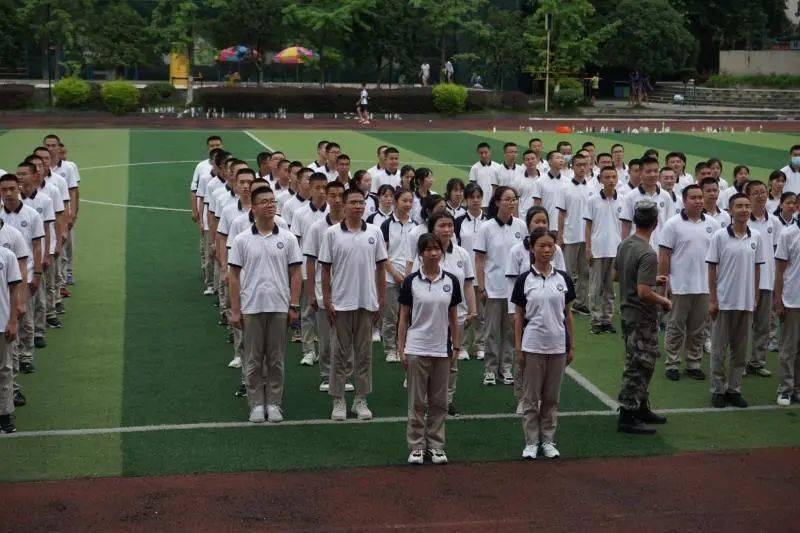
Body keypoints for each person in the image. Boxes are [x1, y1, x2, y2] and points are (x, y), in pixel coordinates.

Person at [228, 187, 302, 424]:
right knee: (253, 359)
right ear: (254, 207)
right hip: (252, 307)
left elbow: (296, 273)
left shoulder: (287, 238)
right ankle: (256, 404)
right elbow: (233, 276)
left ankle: (274, 402)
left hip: (279, 306)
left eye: (272, 201)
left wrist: (294, 305)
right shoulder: (241, 240)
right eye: (264, 202)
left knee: (276, 359)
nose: (270, 205)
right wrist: (236, 309)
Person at [319, 188, 387, 421]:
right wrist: (327, 299)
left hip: (367, 303)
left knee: (364, 354)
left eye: (361, 202)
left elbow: (380, 268)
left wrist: (381, 298)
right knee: (339, 354)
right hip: (341, 303)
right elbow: (325, 269)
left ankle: (361, 398)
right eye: (353, 202)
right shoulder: (332, 233)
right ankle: (338, 399)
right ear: (344, 205)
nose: (358, 206)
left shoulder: (375, 232)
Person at [398, 233, 461, 465]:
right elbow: (403, 317)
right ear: (421, 254)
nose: (433, 253)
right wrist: (401, 347)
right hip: (416, 347)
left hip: (441, 349)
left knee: (439, 401)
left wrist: (456, 346)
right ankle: (416, 446)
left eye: (437, 249)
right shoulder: (411, 281)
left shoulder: (450, 281)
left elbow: (454, 318)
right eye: (428, 249)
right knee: (416, 401)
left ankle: (435, 445)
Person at [512, 227, 575, 459]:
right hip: (532, 346)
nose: (547, 250)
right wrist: (518, 347)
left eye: (550, 246)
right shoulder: (524, 280)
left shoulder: (563, 279)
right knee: (530, 398)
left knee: (551, 397)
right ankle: (531, 441)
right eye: (542, 246)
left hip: (557, 346)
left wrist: (571, 346)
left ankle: (547, 440)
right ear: (532, 248)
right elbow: (518, 315)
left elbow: (567, 314)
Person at [410, 212, 476, 415]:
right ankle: (427, 400)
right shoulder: (423, 255)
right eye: (442, 226)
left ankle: (446, 399)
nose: (447, 229)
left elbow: (468, 284)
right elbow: (413, 287)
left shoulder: (462, 254)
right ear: (432, 229)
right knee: (428, 360)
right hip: (429, 318)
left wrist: (473, 309)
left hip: (456, 315)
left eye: (449, 225)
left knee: (452, 360)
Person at [616, 200, 671, 434]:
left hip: (629, 312)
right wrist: (665, 301)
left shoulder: (625, 244)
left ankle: (640, 406)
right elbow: (644, 292)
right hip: (641, 316)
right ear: (656, 223)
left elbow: (618, 275)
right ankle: (628, 414)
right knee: (640, 363)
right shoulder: (648, 253)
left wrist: (649, 279)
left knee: (640, 361)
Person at [706, 193, 765, 409]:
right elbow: (711, 268)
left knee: (740, 351)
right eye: (739, 206)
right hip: (724, 302)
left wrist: (756, 297)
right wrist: (713, 299)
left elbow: (758, 268)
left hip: (746, 302)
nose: (744, 209)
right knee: (719, 350)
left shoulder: (756, 237)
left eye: (747, 206)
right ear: (730, 210)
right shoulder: (720, 236)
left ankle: (734, 389)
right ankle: (718, 390)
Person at [658, 184, 720, 381]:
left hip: (704, 286)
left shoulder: (713, 224)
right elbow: (664, 255)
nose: (699, 201)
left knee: (698, 327)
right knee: (676, 326)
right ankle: (673, 363)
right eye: (693, 198)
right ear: (684, 201)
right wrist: (664, 283)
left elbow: (718, 257)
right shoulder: (672, 224)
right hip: (680, 285)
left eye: (700, 197)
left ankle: (694, 363)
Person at [474, 186, 527, 386]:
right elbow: (479, 259)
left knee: (510, 332)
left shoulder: (521, 226)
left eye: (514, 199)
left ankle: (505, 368)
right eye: (507, 199)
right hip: (493, 287)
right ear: (497, 202)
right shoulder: (486, 228)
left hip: (514, 289)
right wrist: (481, 286)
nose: (511, 203)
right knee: (491, 332)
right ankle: (489, 369)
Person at [303, 181, 349, 392]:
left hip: (348, 291)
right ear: (327, 198)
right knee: (325, 338)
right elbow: (311, 262)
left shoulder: (355, 225)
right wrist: (312, 292)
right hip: (324, 291)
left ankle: (345, 374)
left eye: (341, 195)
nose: (337, 200)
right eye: (333, 195)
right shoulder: (317, 228)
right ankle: (325, 375)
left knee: (346, 337)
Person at [0, 174, 44, 379]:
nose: (7, 193)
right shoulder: (1, 216)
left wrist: (36, 274)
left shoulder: (32, 214)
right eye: (3, 190)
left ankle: (26, 357)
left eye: (11, 188)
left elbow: (35, 246)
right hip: (4, 281)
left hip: (22, 277)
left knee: (23, 323)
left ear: (18, 188)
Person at [292, 173, 330, 366]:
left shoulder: (333, 213)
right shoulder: (300, 214)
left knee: (328, 313)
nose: (322, 192)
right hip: (308, 269)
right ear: (310, 188)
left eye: (325, 187)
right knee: (308, 311)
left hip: (330, 273)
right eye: (318, 187)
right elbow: (296, 243)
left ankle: (328, 350)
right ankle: (308, 349)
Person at [746, 180, 781, 377]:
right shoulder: (742, 219)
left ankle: (757, 362)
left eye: (762, 192)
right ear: (748, 196)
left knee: (764, 325)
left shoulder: (774, 222)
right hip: (745, 282)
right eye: (756, 192)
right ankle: (739, 362)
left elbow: (775, 251)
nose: (760, 195)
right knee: (743, 325)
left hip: (767, 280)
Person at [17, 163, 54, 350]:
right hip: (11, 265)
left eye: (24, 174)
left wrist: (46, 256)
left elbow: (45, 233)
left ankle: (35, 336)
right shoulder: (9, 202)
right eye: (18, 174)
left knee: (33, 303)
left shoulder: (43, 201)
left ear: (34, 176)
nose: (20, 178)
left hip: (31, 263)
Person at [378, 189, 416, 363]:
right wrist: (394, 273)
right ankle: (390, 349)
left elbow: (416, 254)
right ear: (396, 201)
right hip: (390, 278)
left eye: (410, 201)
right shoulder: (386, 225)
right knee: (390, 316)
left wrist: (408, 277)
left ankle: (405, 346)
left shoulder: (415, 226)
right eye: (404, 201)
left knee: (407, 316)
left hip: (410, 278)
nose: (407, 204)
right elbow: (383, 254)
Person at [585, 167, 622, 334]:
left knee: (609, 289)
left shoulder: (623, 199)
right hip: (598, 250)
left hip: (615, 250)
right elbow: (588, 225)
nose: (611, 180)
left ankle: (607, 319)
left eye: (614, 177)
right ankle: (595, 320)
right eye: (607, 177)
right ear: (601, 179)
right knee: (595, 288)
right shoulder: (592, 200)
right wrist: (588, 248)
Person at [455, 183, 487, 360]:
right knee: (465, 312)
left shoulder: (489, 221)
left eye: (478, 197)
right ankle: (463, 346)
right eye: (472, 197)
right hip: (464, 274)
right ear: (466, 200)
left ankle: (480, 345)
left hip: (482, 273)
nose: (475, 201)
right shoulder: (459, 221)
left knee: (481, 314)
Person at [557, 153, 591, 316]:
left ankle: (581, 302)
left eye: (585, 165)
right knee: (568, 272)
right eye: (578, 165)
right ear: (573, 166)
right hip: (570, 236)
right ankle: (565, 301)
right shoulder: (565, 187)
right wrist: (560, 235)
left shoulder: (591, 188)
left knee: (585, 272)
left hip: (587, 237)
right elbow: (561, 214)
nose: (582, 168)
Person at [774, 212, 800, 406]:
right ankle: (785, 389)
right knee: (788, 348)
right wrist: (778, 299)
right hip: (792, 299)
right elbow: (780, 270)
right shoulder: (788, 234)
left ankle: (797, 388)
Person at [619, 156, 673, 250]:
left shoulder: (666, 196)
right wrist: (623, 250)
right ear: (640, 173)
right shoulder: (630, 197)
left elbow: (669, 225)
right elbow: (626, 226)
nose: (653, 174)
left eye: (655, 171)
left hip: (659, 249)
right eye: (648, 171)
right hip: (636, 249)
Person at [0, 245, 21, 433]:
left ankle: (5, 415)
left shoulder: (7, 256)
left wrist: (13, 320)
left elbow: (15, 291)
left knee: (4, 370)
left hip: (1, 324)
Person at [532, 151, 567, 232]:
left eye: (562, 158)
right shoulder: (540, 181)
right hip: (545, 224)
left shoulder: (568, 182)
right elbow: (536, 204)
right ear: (549, 161)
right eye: (558, 158)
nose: (561, 160)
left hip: (564, 225)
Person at [468, 143, 501, 209]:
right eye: (481, 153)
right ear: (478, 153)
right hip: (480, 204)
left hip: (495, 204)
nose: (483, 155)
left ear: (490, 152)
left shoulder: (498, 167)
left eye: (486, 152)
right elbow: (472, 187)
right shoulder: (475, 168)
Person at [515, 150, 540, 217]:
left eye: (532, 159)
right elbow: (515, 201)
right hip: (523, 218)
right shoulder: (518, 179)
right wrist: (516, 218)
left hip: (541, 217)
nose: (530, 161)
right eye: (527, 159)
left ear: (537, 160)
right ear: (524, 162)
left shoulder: (544, 178)